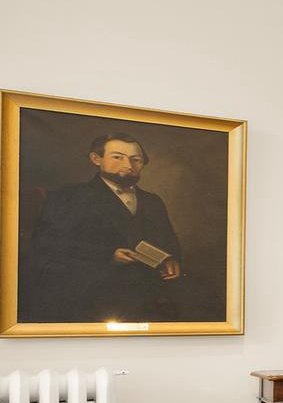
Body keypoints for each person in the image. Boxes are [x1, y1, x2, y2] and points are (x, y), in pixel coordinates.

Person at [21, 130, 182, 322]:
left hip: (149, 290)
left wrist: (170, 260)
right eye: (118, 157)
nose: (128, 165)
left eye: (136, 160)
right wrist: (108, 255)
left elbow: (168, 240)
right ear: (96, 159)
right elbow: (47, 244)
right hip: (90, 289)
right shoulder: (69, 196)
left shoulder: (153, 201)